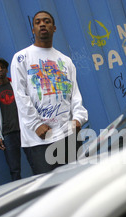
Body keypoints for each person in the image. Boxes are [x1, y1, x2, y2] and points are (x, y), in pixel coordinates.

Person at [10, 11, 88, 175]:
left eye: (46, 22)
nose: (42, 24)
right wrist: (36, 124)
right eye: (38, 22)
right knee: (51, 190)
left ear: (54, 28)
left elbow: (74, 94)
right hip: (38, 139)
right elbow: (20, 95)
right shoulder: (21, 58)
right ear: (33, 30)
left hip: (68, 135)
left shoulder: (66, 61)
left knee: (78, 183)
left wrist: (79, 118)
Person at [0, 58, 22, 181]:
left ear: (7, 70)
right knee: (14, 169)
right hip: (7, 133)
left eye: (3, 67)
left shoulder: (15, 84)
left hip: (24, 130)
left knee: (35, 160)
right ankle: (20, 193)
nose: (0, 69)